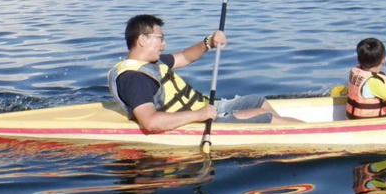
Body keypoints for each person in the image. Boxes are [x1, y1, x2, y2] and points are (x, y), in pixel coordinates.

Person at [108, 14, 299, 132]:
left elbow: (185, 57)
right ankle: (309, 132)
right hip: (194, 121)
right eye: (160, 38)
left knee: (258, 101)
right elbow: (151, 122)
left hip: (204, 109)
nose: (164, 43)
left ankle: (290, 129)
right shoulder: (135, 78)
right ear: (142, 39)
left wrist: (209, 42)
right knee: (261, 115)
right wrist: (198, 115)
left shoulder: (153, 63)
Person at [346, 37, 386, 119]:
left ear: (358, 60)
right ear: (384, 60)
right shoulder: (374, 83)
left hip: (352, 119)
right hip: (368, 124)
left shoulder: (355, 72)